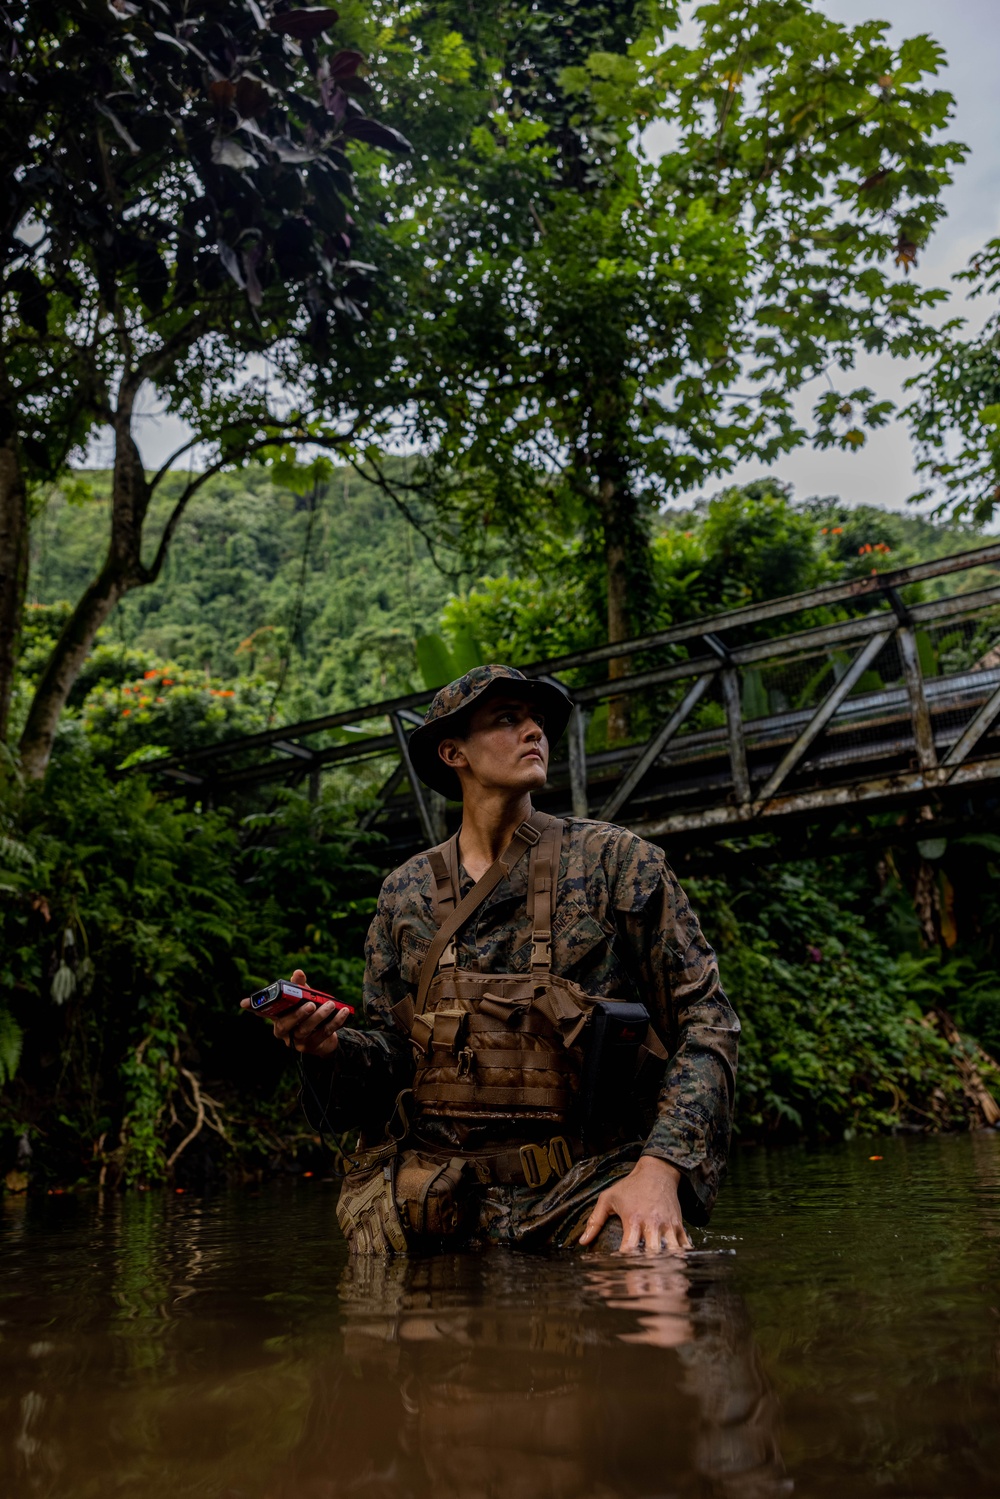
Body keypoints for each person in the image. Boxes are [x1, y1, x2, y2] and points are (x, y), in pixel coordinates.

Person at [244, 665, 739, 1254]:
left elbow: (707, 1021)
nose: (534, 732)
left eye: (537, 721)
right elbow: (393, 1060)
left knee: (655, 1287)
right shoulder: (404, 894)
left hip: (584, 1188)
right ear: (453, 752)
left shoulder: (616, 862)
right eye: (507, 719)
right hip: (434, 1199)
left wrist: (660, 1171)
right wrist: (325, 1048)